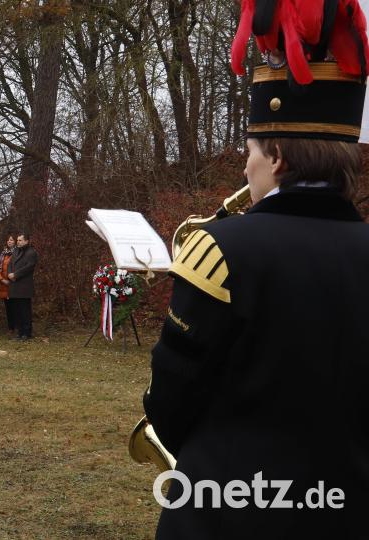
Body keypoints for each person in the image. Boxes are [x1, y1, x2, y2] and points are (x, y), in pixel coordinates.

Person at [145, 16, 369, 536]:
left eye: (250, 151)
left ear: (278, 156)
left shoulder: (219, 251)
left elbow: (169, 407)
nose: (246, 168)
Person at [7, 233, 37, 340]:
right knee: (17, 311)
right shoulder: (15, 251)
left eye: (20, 240)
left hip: (24, 287)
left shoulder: (31, 252)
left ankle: (26, 333)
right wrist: (10, 274)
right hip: (14, 286)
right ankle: (19, 332)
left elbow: (29, 267)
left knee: (25, 311)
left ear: (27, 241)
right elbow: (10, 264)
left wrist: (16, 274)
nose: (18, 242)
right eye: (18, 240)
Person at [0, 234, 17, 333]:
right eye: (8, 240)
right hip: (4, 283)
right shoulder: (3, 253)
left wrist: (11, 279)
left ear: (15, 241)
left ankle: (17, 326)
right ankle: (11, 327)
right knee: (8, 307)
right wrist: (1, 279)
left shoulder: (17, 252)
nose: (9, 241)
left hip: (14, 283)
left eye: (12, 240)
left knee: (16, 306)